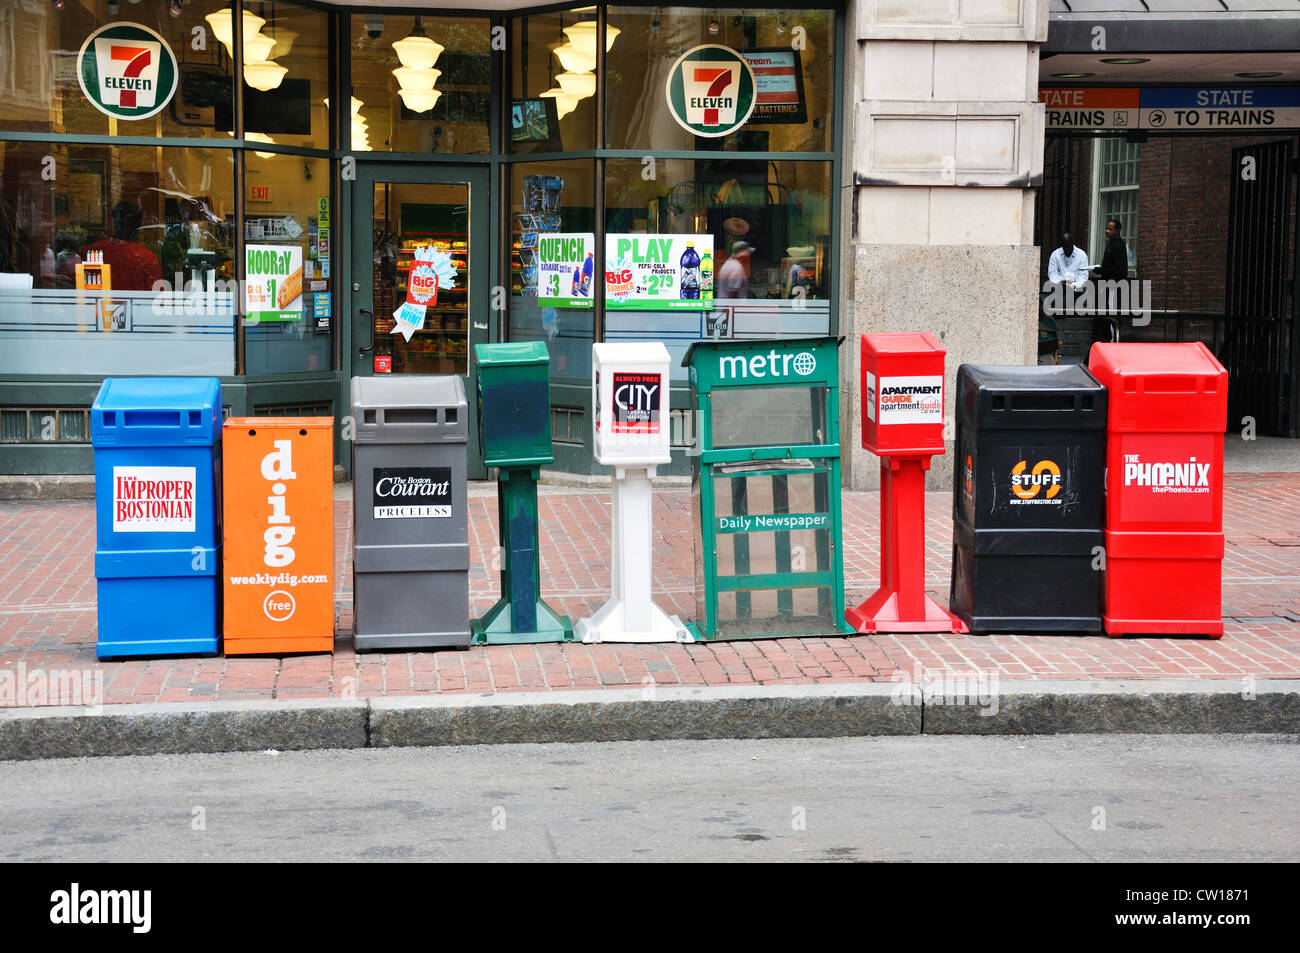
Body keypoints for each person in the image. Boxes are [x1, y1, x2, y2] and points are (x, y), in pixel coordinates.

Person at [83, 201, 163, 291]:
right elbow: (157, 296)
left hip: (100, 304)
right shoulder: (147, 257)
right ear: (138, 226)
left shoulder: (91, 251)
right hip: (135, 304)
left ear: (114, 223)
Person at [1094, 217, 1128, 344]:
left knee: (1112, 314)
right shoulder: (1112, 244)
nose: (1107, 231)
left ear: (1118, 231)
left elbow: (1119, 269)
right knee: (1108, 314)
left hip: (1114, 286)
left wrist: (1101, 270)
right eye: (1106, 228)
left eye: (1110, 229)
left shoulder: (1118, 245)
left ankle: (1114, 342)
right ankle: (1109, 339)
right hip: (1109, 285)